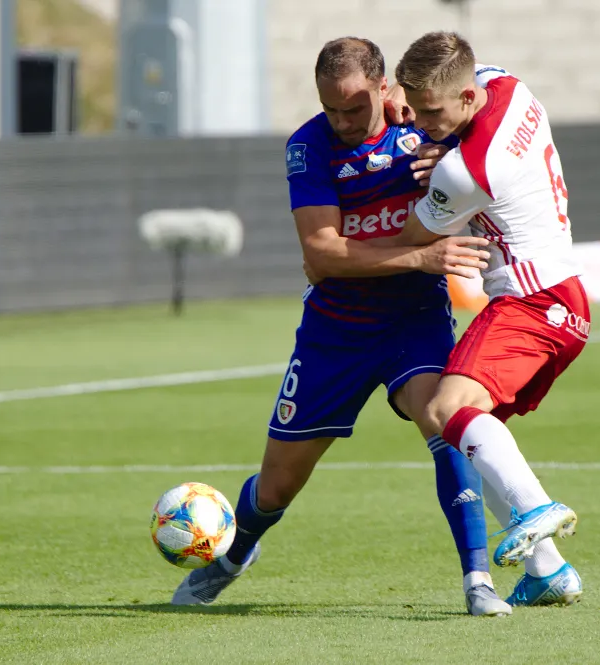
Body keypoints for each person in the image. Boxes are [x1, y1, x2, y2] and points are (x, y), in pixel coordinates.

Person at [170, 37, 512, 617]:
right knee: (276, 487)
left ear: (386, 89)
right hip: (336, 329)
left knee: (443, 417)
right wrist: (422, 257)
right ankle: (233, 557)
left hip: (413, 317)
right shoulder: (308, 146)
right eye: (331, 108)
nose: (343, 121)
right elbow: (323, 254)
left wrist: (444, 154)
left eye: (354, 108)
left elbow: (485, 94)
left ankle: (478, 579)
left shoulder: (423, 122)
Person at [383, 31, 588, 606]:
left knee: (443, 408)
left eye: (432, 113)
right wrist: (433, 131)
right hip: (560, 295)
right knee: (470, 436)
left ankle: (537, 510)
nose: (419, 123)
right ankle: (548, 572)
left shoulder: (466, 170)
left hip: (530, 299)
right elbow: (458, 100)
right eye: (414, 109)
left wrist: (438, 167)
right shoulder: (506, 84)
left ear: (466, 99)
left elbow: (416, 237)